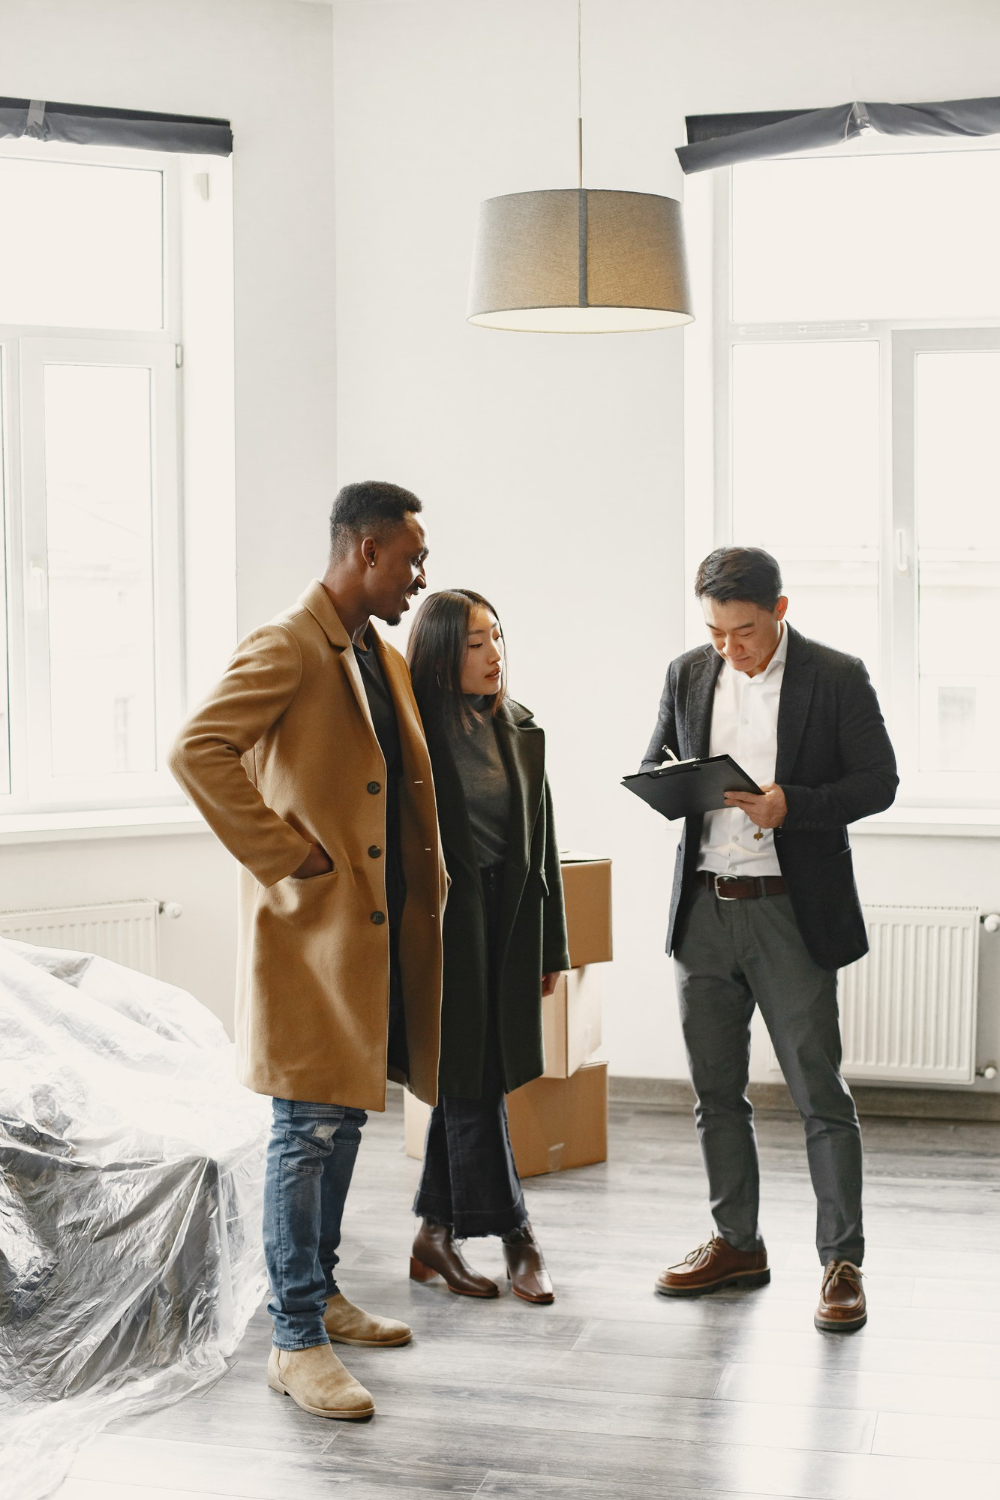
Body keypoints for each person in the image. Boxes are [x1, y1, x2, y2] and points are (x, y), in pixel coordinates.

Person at [168, 480, 448, 1419]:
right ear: (365, 552)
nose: (420, 575)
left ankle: (320, 1291)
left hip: (371, 934)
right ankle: (294, 1339)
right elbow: (199, 749)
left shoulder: (381, 653)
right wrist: (286, 854)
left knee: (346, 1118)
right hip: (314, 933)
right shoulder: (288, 644)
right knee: (304, 1132)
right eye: (411, 557)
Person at [640, 547, 897, 1333]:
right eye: (716, 632)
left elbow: (878, 782)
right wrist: (669, 777)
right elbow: (654, 760)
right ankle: (736, 1243)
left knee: (820, 1095)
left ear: (778, 611)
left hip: (791, 910)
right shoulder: (689, 672)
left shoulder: (836, 675)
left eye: (743, 632)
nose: (730, 648)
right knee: (716, 1094)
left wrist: (795, 804)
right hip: (704, 912)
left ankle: (841, 1263)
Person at [404, 590, 570, 1304]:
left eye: (497, 637)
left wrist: (551, 949)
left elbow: (547, 851)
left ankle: (434, 1234)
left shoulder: (521, 730)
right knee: (471, 1081)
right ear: (442, 654)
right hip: (448, 930)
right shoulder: (410, 736)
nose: (494, 654)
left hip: (512, 922)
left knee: (478, 1076)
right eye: (476, 643)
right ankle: (517, 1236)